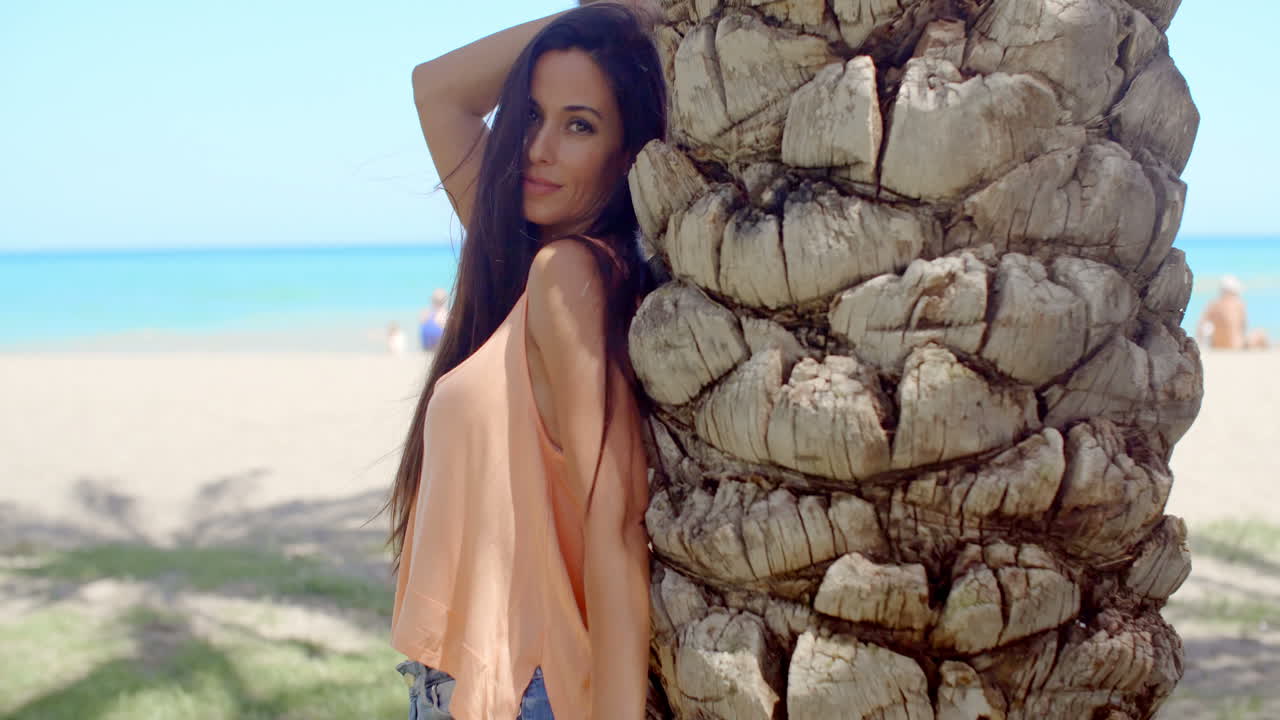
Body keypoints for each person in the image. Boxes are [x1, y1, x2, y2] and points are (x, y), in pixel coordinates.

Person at [385, 3, 665, 719]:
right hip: (473, 686)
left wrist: (622, 19)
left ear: (628, 156)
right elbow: (436, 88)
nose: (538, 148)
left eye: (580, 125)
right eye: (531, 115)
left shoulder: (567, 276)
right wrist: (615, 13)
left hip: (524, 692)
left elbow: (616, 520)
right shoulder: (525, 264)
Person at [1197, 275, 1271, 350]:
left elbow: (1200, 326)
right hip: (1236, 344)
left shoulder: (1212, 305)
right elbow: (1244, 326)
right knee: (1261, 334)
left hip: (1216, 344)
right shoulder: (1238, 304)